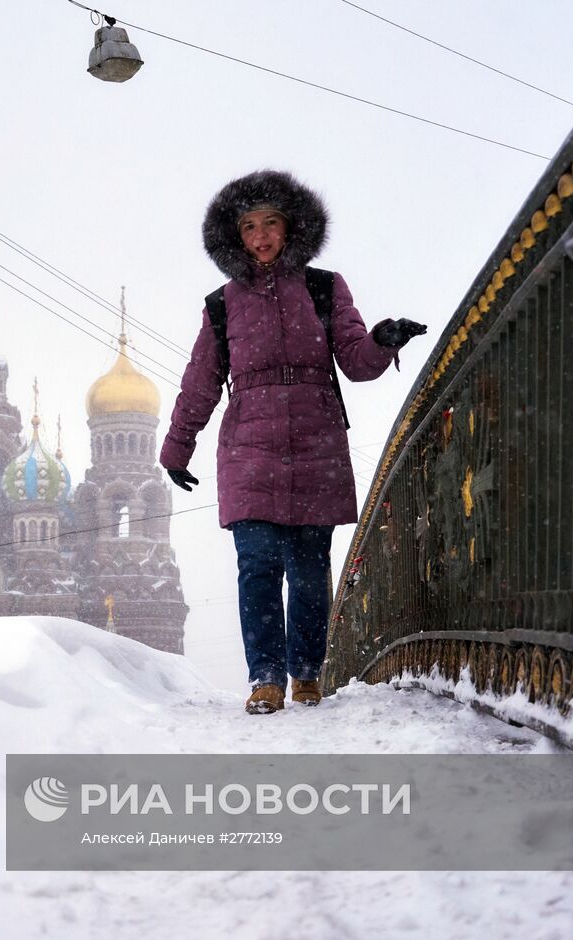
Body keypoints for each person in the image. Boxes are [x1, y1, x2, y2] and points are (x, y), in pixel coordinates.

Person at [159, 170, 426, 715]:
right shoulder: (221, 304)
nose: (261, 236)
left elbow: (354, 361)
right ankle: (265, 678)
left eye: (271, 223)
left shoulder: (324, 287)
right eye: (250, 226)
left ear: (290, 228)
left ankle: (306, 673)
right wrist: (176, 448)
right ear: (235, 236)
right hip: (248, 449)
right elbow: (201, 381)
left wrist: (381, 341)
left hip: (315, 444)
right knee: (257, 565)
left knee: (308, 568)